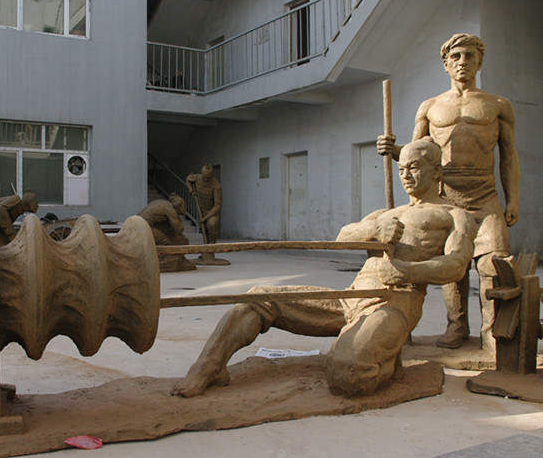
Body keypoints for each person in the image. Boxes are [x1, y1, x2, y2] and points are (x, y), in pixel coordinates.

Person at [172, 140, 476, 398]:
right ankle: (209, 366)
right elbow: (343, 237)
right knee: (257, 298)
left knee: (347, 374)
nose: (406, 175)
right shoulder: (387, 213)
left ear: (437, 171)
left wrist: (407, 272)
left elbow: (456, 265)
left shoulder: (453, 215)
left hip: (395, 302)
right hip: (351, 297)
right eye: (401, 169)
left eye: (415, 167)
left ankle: (382, 362)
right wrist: (374, 229)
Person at [377, 34, 519, 351]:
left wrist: (513, 200)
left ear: (479, 62)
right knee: (452, 267)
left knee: (493, 265)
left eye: (469, 55)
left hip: (485, 198)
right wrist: (393, 149)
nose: (462, 62)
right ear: (445, 64)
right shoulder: (430, 107)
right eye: (455, 56)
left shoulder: (498, 105)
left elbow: (509, 156)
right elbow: (416, 154)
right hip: (445, 199)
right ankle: (456, 326)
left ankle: (491, 332)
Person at [138, 193, 196, 272]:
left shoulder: (163, 203)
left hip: (139, 223)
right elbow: (179, 229)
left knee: (170, 234)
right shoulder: (170, 210)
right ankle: (163, 261)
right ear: (178, 206)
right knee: (164, 241)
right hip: (143, 227)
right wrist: (179, 219)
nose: (184, 208)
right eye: (183, 206)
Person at [186, 164, 228, 265]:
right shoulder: (197, 178)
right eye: (204, 176)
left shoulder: (216, 186)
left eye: (208, 177)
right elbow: (187, 179)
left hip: (212, 212)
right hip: (201, 210)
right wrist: (191, 191)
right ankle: (206, 251)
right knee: (203, 229)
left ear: (212, 175)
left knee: (212, 225)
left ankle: (211, 250)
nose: (205, 179)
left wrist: (206, 217)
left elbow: (217, 205)